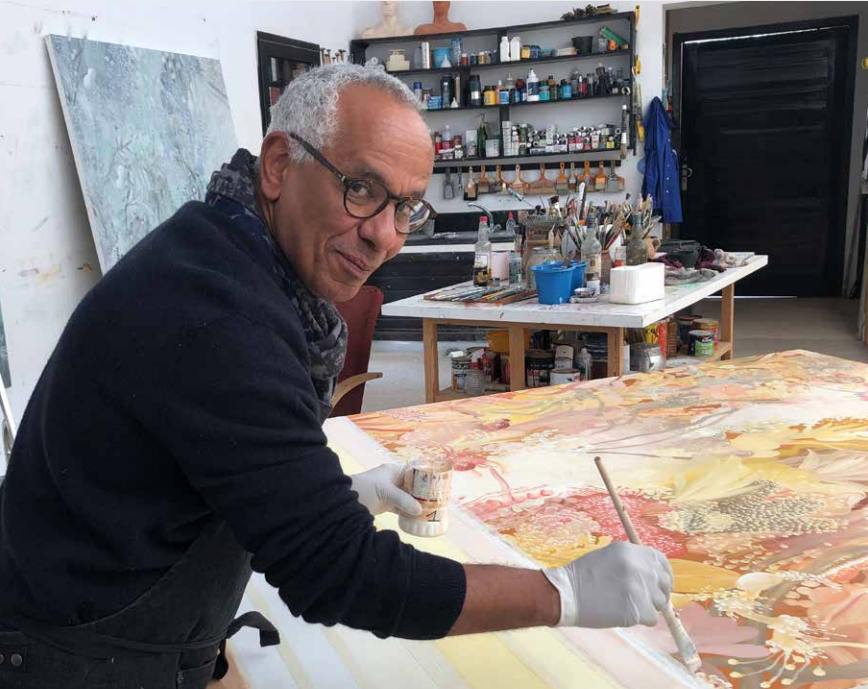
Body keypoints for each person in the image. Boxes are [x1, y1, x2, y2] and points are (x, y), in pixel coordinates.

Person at [0, 65, 672, 689]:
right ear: (278, 166)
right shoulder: (219, 313)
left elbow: (213, 470)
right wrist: (562, 593)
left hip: (126, 614)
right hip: (71, 651)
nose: (386, 235)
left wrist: (335, 494)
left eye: (406, 207)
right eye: (362, 189)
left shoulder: (223, 246)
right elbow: (340, 574)